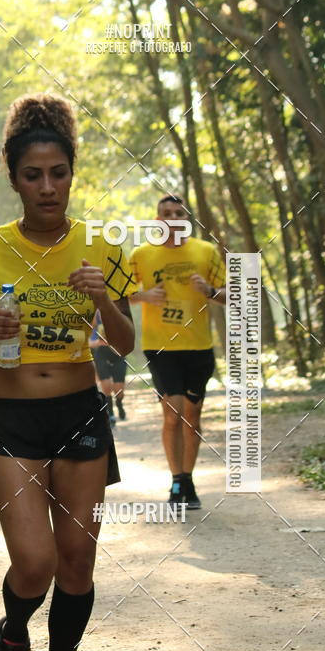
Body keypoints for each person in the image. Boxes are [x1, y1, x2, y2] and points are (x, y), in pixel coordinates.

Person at [0, 93, 135, 651]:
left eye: (58, 172)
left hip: (81, 413)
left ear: (71, 173)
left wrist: (106, 298)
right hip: (11, 418)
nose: (48, 186)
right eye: (33, 175)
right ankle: (11, 631)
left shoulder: (100, 247)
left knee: (77, 561)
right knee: (35, 564)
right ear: (14, 179)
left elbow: (124, 341)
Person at [129, 195, 226, 509]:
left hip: (198, 346)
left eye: (179, 213)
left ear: (187, 219)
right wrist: (145, 295)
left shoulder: (205, 251)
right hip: (161, 346)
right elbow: (121, 294)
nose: (173, 218)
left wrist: (210, 292)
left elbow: (233, 293)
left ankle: (188, 478)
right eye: (166, 214)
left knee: (192, 417)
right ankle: (177, 480)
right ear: (158, 220)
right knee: (173, 411)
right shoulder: (142, 254)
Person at [89, 309, 127, 426]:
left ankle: (119, 404)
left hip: (118, 355)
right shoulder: (95, 314)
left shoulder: (118, 310)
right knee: (106, 386)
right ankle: (110, 413)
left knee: (118, 390)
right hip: (101, 354)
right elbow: (87, 338)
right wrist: (96, 343)